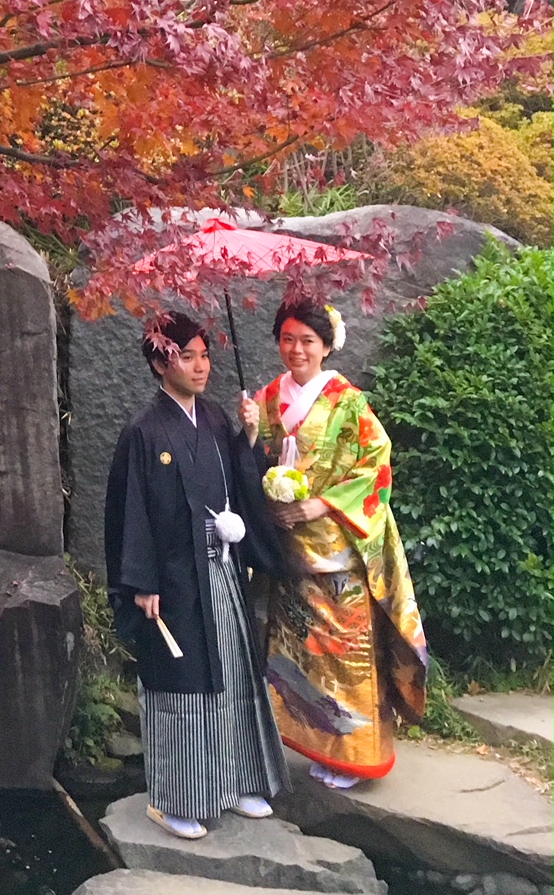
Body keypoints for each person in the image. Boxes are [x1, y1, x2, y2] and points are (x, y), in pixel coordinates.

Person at [105, 313, 288, 840]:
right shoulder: (143, 431)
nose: (202, 365)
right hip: (175, 581)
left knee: (234, 675)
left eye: (205, 355)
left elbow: (237, 478)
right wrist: (141, 583)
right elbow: (130, 511)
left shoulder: (211, 418)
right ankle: (174, 799)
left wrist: (250, 435)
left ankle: (233, 784)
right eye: (189, 356)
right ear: (162, 362)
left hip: (222, 571)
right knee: (182, 688)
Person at [245, 296, 428, 790]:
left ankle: (355, 752)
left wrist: (316, 505)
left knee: (344, 650)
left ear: (326, 346)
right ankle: (308, 744)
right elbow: (259, 458)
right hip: (286, 549)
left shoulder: (348, 401)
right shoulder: (266, 398)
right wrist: (248, 434)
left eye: (307, 340)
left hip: (334, 548)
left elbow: (376, 465)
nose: (296, 349)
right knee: (296, 651)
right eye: (287, 339)